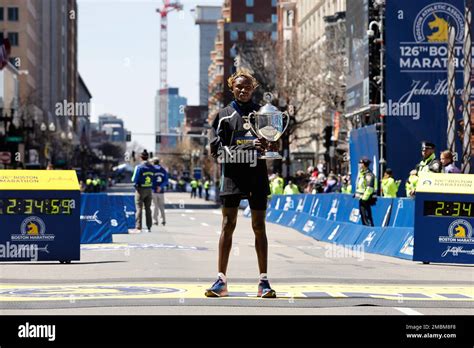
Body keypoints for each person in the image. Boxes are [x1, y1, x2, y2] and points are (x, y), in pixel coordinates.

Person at [206, 68, 276, 298]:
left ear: (253, 88)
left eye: (248, 86)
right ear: (232, 88)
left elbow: (273, 144)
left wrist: (269, 146)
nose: (244, 90)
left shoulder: (263, 114)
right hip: (233, 176)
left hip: (256, 175)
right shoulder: (223, 115)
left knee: (259, 226)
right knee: (228, 225)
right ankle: (221, 280)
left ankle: (264, 282)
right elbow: (216, 152)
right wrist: (247, 146)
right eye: (239, 86)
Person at [131, 150, 156, 233]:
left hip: (140, 190)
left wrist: (136, 184)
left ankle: (138, 227)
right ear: (148, 157)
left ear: (141, 157)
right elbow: (154, 178)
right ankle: (149, 226)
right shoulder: (152, 167)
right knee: (148, 209)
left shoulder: (139, 167)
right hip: (149, 189)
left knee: (139, 208)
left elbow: (134, 179)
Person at [355, 157, 376, 226]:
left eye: (360, 163)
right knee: (363, 216)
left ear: (364, 164)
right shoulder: (362, 173)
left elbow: (369, 188)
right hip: (361, 198)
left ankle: (369, 229)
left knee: (366, 216)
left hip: (365, 199)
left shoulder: (368, 174)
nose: (359, 164)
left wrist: (364, 198)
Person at [152, 157, 168, 226]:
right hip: (161, 191)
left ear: (153, 162)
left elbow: (150, 180)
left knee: (154, 206)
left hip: (153, 190)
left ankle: (155, 220)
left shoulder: (151, 170)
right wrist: (161, 187)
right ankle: (163, 220)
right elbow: (166, 181)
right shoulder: (163, 170)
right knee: (161, 206)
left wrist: (153, 187)